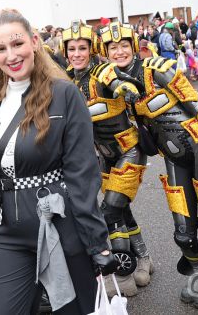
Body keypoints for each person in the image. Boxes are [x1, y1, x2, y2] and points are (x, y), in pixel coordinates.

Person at [0, 9, 116, 315]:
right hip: (7, 231)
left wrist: (97, 242)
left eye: (17, 43)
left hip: (60, 225)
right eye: (1, 48)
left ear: (34, 42)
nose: (11, 55)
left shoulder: (64, 95)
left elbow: (82, 173)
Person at [107, 24, 198, 309]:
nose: (119, 51)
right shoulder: (115, 86)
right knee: (183, 231)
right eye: (113, 48)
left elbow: (192, 101)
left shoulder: (155, 68)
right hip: (173, 158)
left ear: (133, 46)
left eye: (124, 45)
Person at [60, 20, 152, 296]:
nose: (77, 54)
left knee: (109, 212)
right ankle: (143, 258)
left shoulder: (103, 71)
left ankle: (123, 275)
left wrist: (124, 87)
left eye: (82, 48)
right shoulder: (66, 80)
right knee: (121, 211)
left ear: (92, 49)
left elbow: (115, 79)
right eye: (72, 49)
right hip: (102, 156)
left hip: (129, 151)